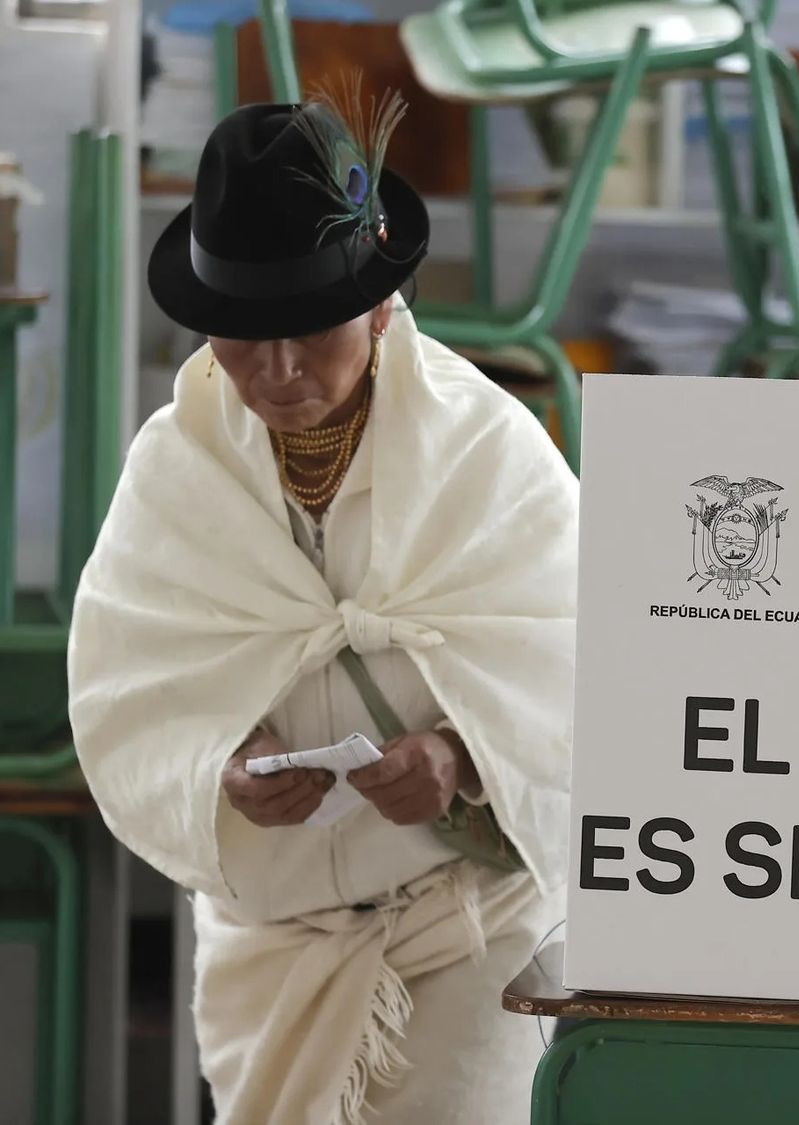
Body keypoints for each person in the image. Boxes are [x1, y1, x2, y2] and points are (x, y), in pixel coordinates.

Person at [67, 88, 577, 1124]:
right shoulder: (177, 474)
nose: (281, 373)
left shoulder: (488, 452)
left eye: (309, 333)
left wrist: (461, 757)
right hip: (274, 950)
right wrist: (226, 757)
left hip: (469, 928)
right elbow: (131, 684)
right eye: (242, 342)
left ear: (383, 306)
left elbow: (581, 658)